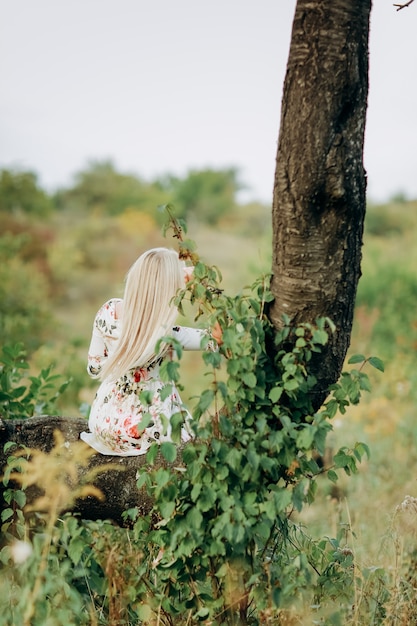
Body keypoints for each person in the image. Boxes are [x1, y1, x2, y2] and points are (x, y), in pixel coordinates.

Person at [80, 247, 221, 456]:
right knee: (196, 442)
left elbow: (94, 368)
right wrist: (200, 288)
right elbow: (218, 338)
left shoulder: (108, 311)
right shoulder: (167, 335)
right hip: (145, 429)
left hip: (103, 425)